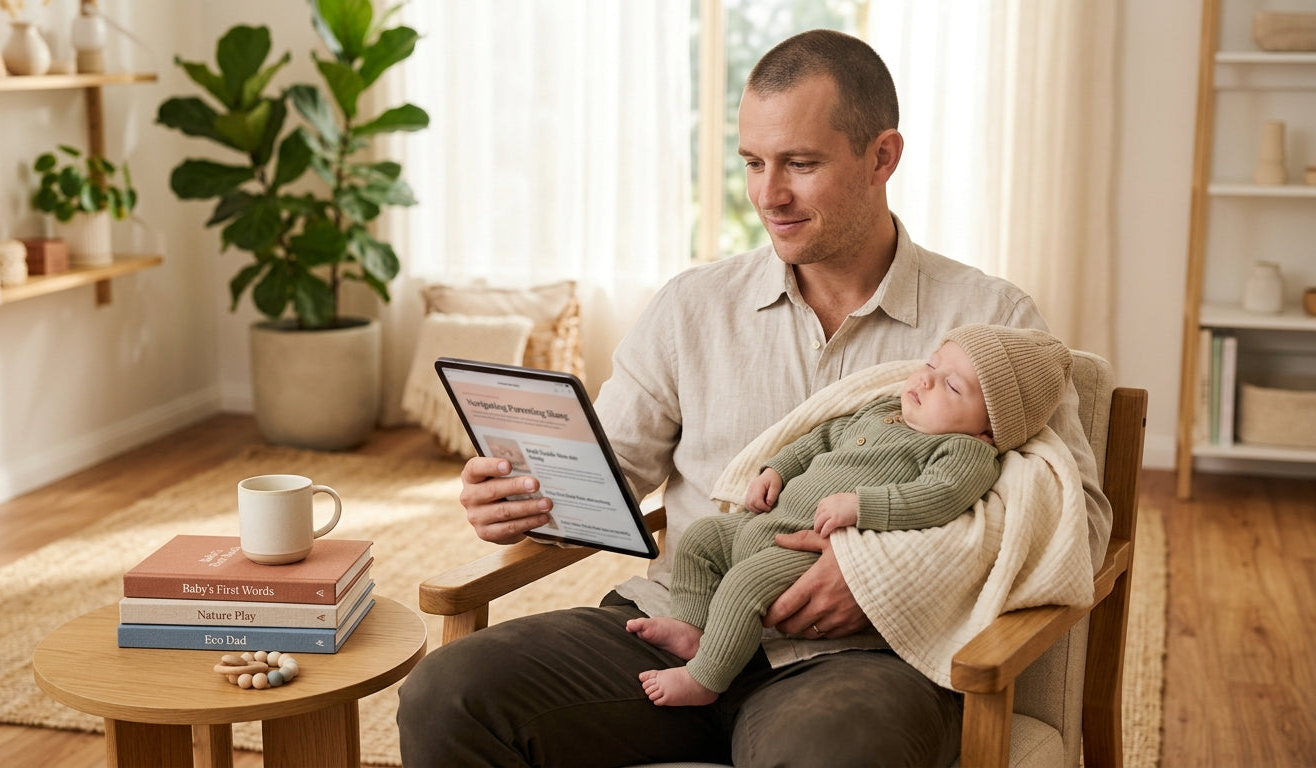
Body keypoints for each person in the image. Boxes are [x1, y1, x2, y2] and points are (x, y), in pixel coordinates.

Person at [398, 28, 1109, 768]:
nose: (769, 195)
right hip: (677, 617)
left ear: (882, 157)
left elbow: (1079, 526)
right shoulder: (692, 306)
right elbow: (608, 476)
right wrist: (522, 502)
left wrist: (884, 576)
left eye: (800, 164)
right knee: (447, 695)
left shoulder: (989, 325)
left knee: (829, 753)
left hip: (857, 659)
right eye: (753, 163)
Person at [630, 324, 1073, 707]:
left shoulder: (965, 451)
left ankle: (707, 677)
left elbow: (939, 496)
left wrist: (864, 505)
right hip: (766, 522)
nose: (927, 381)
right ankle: (692, 626)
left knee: (743, 587)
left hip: (806, 548)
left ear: (990, 429)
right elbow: (820, 438)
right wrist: (777, 470)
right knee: (699, 539)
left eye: (953, 387)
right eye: (932, 365)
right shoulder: (882, 411)